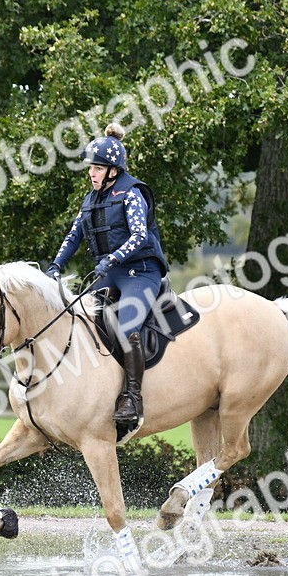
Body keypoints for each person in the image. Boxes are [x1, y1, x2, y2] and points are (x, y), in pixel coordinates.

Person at [46, 123, 168, 431]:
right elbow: (74, 235)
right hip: (110, 273)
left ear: (114, 170)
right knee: (78, 320)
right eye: (91, 168)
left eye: (98, 168)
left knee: (128, 326)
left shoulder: (132, 194)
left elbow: (140, 236)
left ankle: (133, 397)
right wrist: (56, 266)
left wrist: (111, 258)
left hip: (140, 272)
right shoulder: (91, 199)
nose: (92, 173)